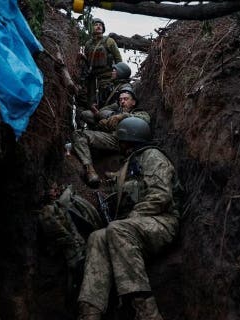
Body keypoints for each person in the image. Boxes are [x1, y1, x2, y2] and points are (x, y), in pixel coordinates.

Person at [77, 117, 183, 320]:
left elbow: (160, 195)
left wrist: (131, 217)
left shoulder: (152, 156)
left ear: (131, 140)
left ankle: (147, 313)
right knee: (97, 237)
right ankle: (90, 312)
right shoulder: (132, 162)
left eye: (122, 140)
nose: (120, 144)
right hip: (142, 224)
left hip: (162, 221)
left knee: (117, 229)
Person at [72, 86, 149, 187]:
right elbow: (104, 121)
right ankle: (90, 170)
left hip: (129, 145)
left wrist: (124, 116)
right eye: (120, 99)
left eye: (126, 99)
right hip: (114, 140)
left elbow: (145, 119)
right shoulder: (115, 113)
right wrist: (105, 124)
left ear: (133, 102)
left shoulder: (140, 113)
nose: (122, 102)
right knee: (79, 134)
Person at [83, 17, 123, 109]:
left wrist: (117, 73)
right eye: (96, 25)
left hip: (107, 77)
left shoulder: (109, 41)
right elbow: (87, 62)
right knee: (91, 103)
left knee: (106, 100)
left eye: (100, 25)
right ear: (91, 28)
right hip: (92, 78)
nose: (98, 27)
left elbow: (118, 59)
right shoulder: (88, 44)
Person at [80, 62, 132, 128]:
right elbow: (104, 99)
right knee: (85, 114)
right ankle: (97, 128)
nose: (112, 73)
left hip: (115, 116)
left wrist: (99, 112)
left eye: (114, 71)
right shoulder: (113, 85)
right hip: (106, 113)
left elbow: (119, 106)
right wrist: (96, 105)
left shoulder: (125, 88)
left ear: (120, 73)